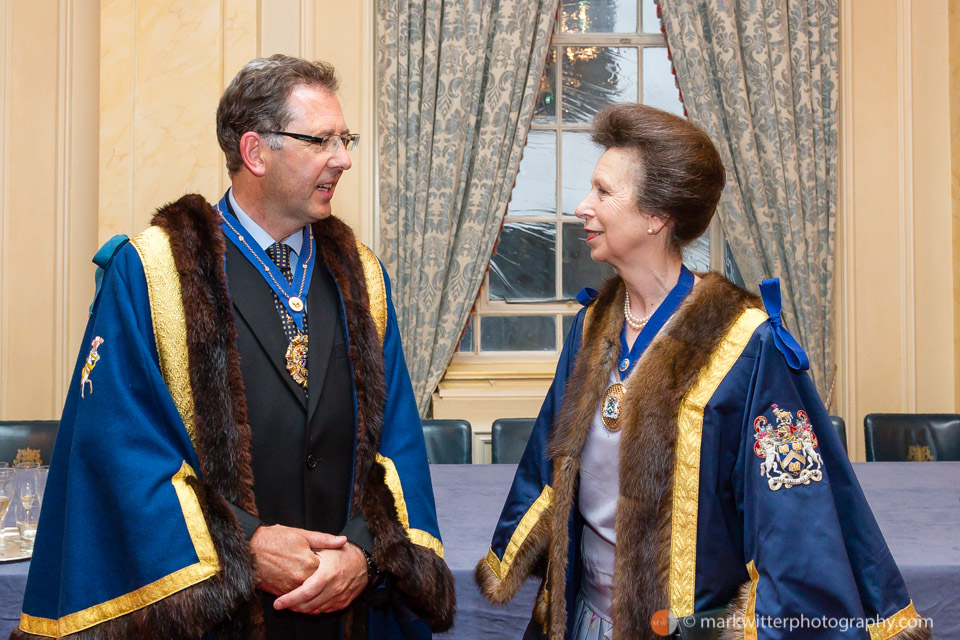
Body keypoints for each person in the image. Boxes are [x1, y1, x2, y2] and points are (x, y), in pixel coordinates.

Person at [14, 55, 454, 640]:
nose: (343, 158)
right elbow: (119, 453)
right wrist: (244, 543)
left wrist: (367, 556)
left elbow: (396, 442)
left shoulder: (361, 277)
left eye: (344, 139)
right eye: (321, 140)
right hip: (217, 619)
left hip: (345, 614)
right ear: (255, 152)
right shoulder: (154, 273)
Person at [475, 104, 930, 640]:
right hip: (582, 621)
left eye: (602, 192)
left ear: (656, 215)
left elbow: (793, 519)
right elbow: (547, 471)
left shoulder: (747, 347)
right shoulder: (591, 328)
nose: (582, 207)